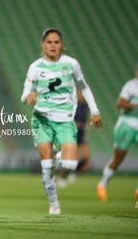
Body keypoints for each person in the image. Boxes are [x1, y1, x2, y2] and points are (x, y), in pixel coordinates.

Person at [21, 28, 103, 215]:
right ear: (43, 44)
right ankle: (54, 204)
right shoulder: (35, 67)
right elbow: (24, 94)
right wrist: (30, 97)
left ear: (61, 45)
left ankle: (58, 157)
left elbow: (85, 87)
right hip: (42, 120)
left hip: (65, 120)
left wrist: (95, 110)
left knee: (70, 165)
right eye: (49, 42)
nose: (53, 45)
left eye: (56, 42)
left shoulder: (71, 64)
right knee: (47, 166)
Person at [97, 65, 138, 202]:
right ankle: (102, 184)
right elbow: (120, 104)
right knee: (119, 158)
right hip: (127, 124)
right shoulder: (131, 86)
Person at [57, 90, 92, 188]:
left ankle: (74, 172)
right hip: (72, 135)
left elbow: (87, 118)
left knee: (86, 157)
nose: (82, 96)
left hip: (81, 134)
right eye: (80, 94)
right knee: (72, 159)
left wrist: (89, 125)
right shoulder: (72, 105)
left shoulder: (85, 106)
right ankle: (63, 178)